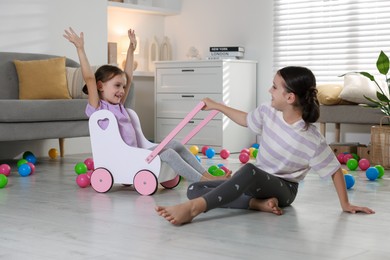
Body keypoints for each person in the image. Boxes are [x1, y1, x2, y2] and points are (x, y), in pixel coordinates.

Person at [155, 66, 375, 225]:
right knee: (194, 188)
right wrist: (217, 106)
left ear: (289, 97)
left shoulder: (311, 138)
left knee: (249, 170)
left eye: (274, 87)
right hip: (256, 181)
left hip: (284, 190)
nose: (269, 90)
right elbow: (244, 119)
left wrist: (345, 204)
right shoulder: (268, 113)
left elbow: (335, 170)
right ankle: (257, 204)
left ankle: (194, 209)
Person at [63, 27, 229, 183]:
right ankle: (202, 181)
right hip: (125, 156)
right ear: (100, 86)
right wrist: (80, 48)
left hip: (137, 152)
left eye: (122, 86)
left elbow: (128, 75)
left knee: (176, 144)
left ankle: (206, 175)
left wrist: (130, 50)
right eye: (116, 86)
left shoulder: (119, 104)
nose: (121, 90)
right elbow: (89, 78)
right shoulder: (98, 109)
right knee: (169, 154)